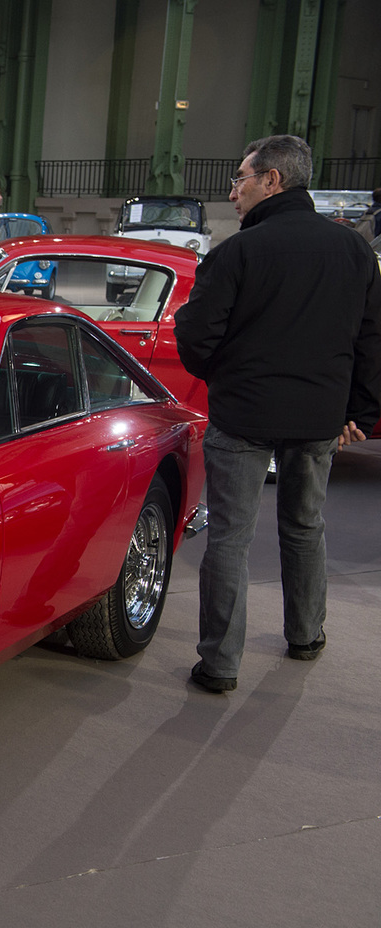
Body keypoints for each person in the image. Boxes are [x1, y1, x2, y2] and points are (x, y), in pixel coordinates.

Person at [174, 134, 381, 693]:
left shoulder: (239, 252)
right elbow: (371, 338)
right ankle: (306, 635)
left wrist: (227, 377)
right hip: (320, 418)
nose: (234, 190)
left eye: (241, 178)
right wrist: (360, 409)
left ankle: (219, 664)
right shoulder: (355, 251)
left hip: (244, 416)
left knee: (230, 539)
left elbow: (193, 333)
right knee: (305, 526)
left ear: (272, 181)